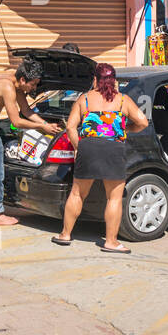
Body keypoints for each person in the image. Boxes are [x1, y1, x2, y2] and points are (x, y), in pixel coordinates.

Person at [52, 63, 149, 253]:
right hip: (114, 149)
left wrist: (79, 146)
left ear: (95, 79)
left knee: (77, 193)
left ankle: (64, 234)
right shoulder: (123, 100)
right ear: (114, 81)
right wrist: (125, 129)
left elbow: (71, 127)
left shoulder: (84, 99)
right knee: (113, 198)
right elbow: (143, 122)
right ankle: (111, 242)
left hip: (88, 147)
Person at [0, 58, 62, 227]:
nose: (34, 88)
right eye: (33, 84)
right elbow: (16, 121)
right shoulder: (8, 87)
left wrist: (46, 124)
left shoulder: (13, 82)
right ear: (23, 79)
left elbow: (26, 110)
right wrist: (41, 127)